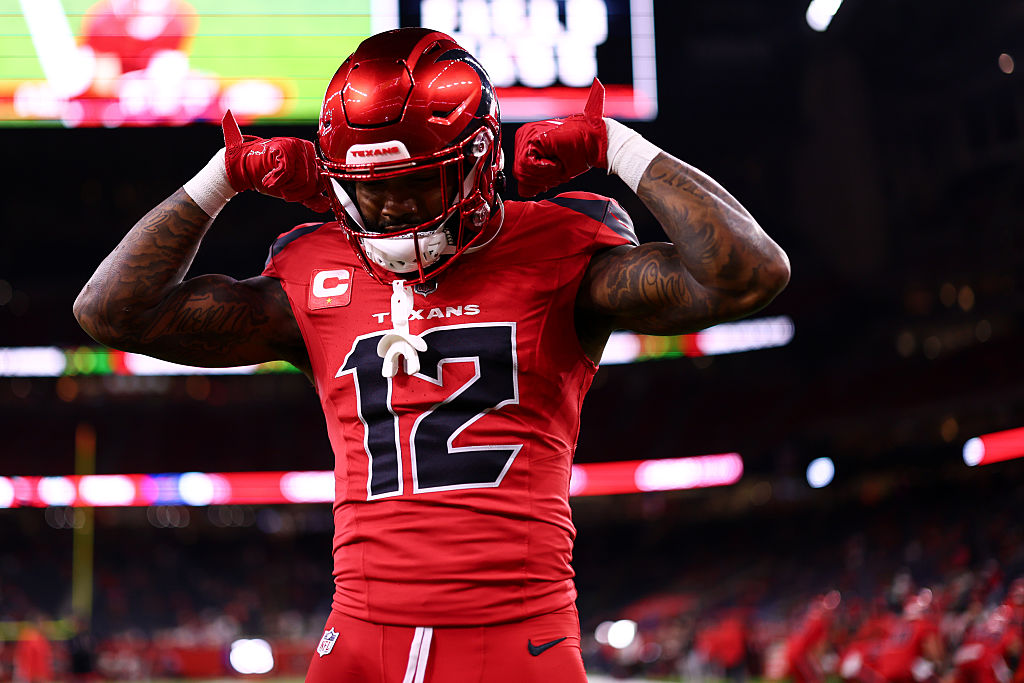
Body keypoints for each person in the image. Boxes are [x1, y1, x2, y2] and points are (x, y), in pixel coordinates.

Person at [74, 27, 789, 682]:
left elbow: (750, 272)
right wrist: (223, 176)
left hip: (517, 636)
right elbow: (109, 311)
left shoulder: (563, 247)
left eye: (414, 182)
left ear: (479, 160)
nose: (388, 212)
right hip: (357, 636)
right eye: (368, 189)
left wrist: (615, 146)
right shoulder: (309, 267)